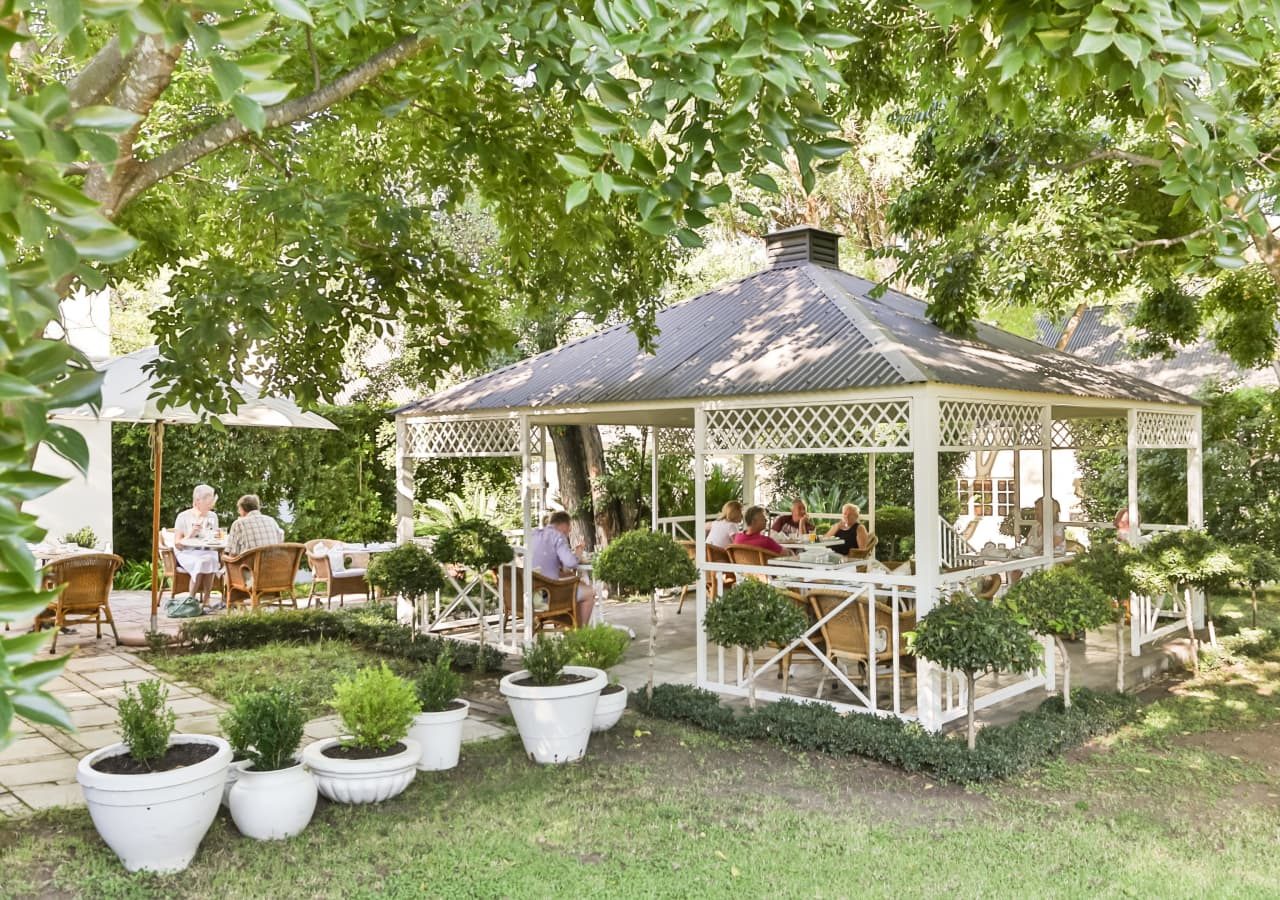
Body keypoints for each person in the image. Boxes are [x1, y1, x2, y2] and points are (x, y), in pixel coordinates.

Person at [529, 510, 595, 625]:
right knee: (590, 592)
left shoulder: (533, 535)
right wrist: (578, 552)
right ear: (564, 525)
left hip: (531, 596)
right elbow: (571, 563)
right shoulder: (557, 536)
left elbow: (560, 570)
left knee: (576, 584)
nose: (568, 533)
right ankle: (581, 633)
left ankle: (570, 628)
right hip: (547, 598)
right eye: (569, 530)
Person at [173, 484, 224, 607]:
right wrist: (190, 534)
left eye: (211, 502)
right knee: (202, 561)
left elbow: (213, 538)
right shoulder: (183, 516)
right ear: (197, 501)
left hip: (206, 550)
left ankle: (206, 600)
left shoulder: (212, 516)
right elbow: (177, 544)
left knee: (211, 558)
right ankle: (191, 599)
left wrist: (217, 536)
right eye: (208, 502)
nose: (211, 505)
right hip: (186, 552)